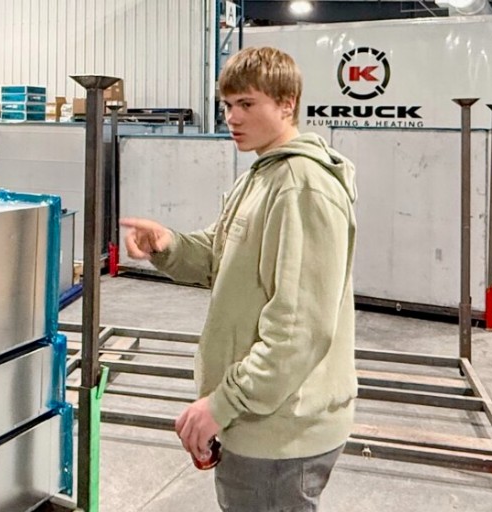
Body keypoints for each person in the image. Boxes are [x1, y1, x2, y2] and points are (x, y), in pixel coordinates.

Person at [120, 46, 358, 511]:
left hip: (279, 431)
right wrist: (168, 245)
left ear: (287, 103)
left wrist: (223, 404)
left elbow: (299, 331)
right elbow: (219, 256)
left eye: (247, 104)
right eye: (227, 105)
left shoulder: (301, 187)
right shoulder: (262, 176)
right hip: (257, 420)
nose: (232, 117)